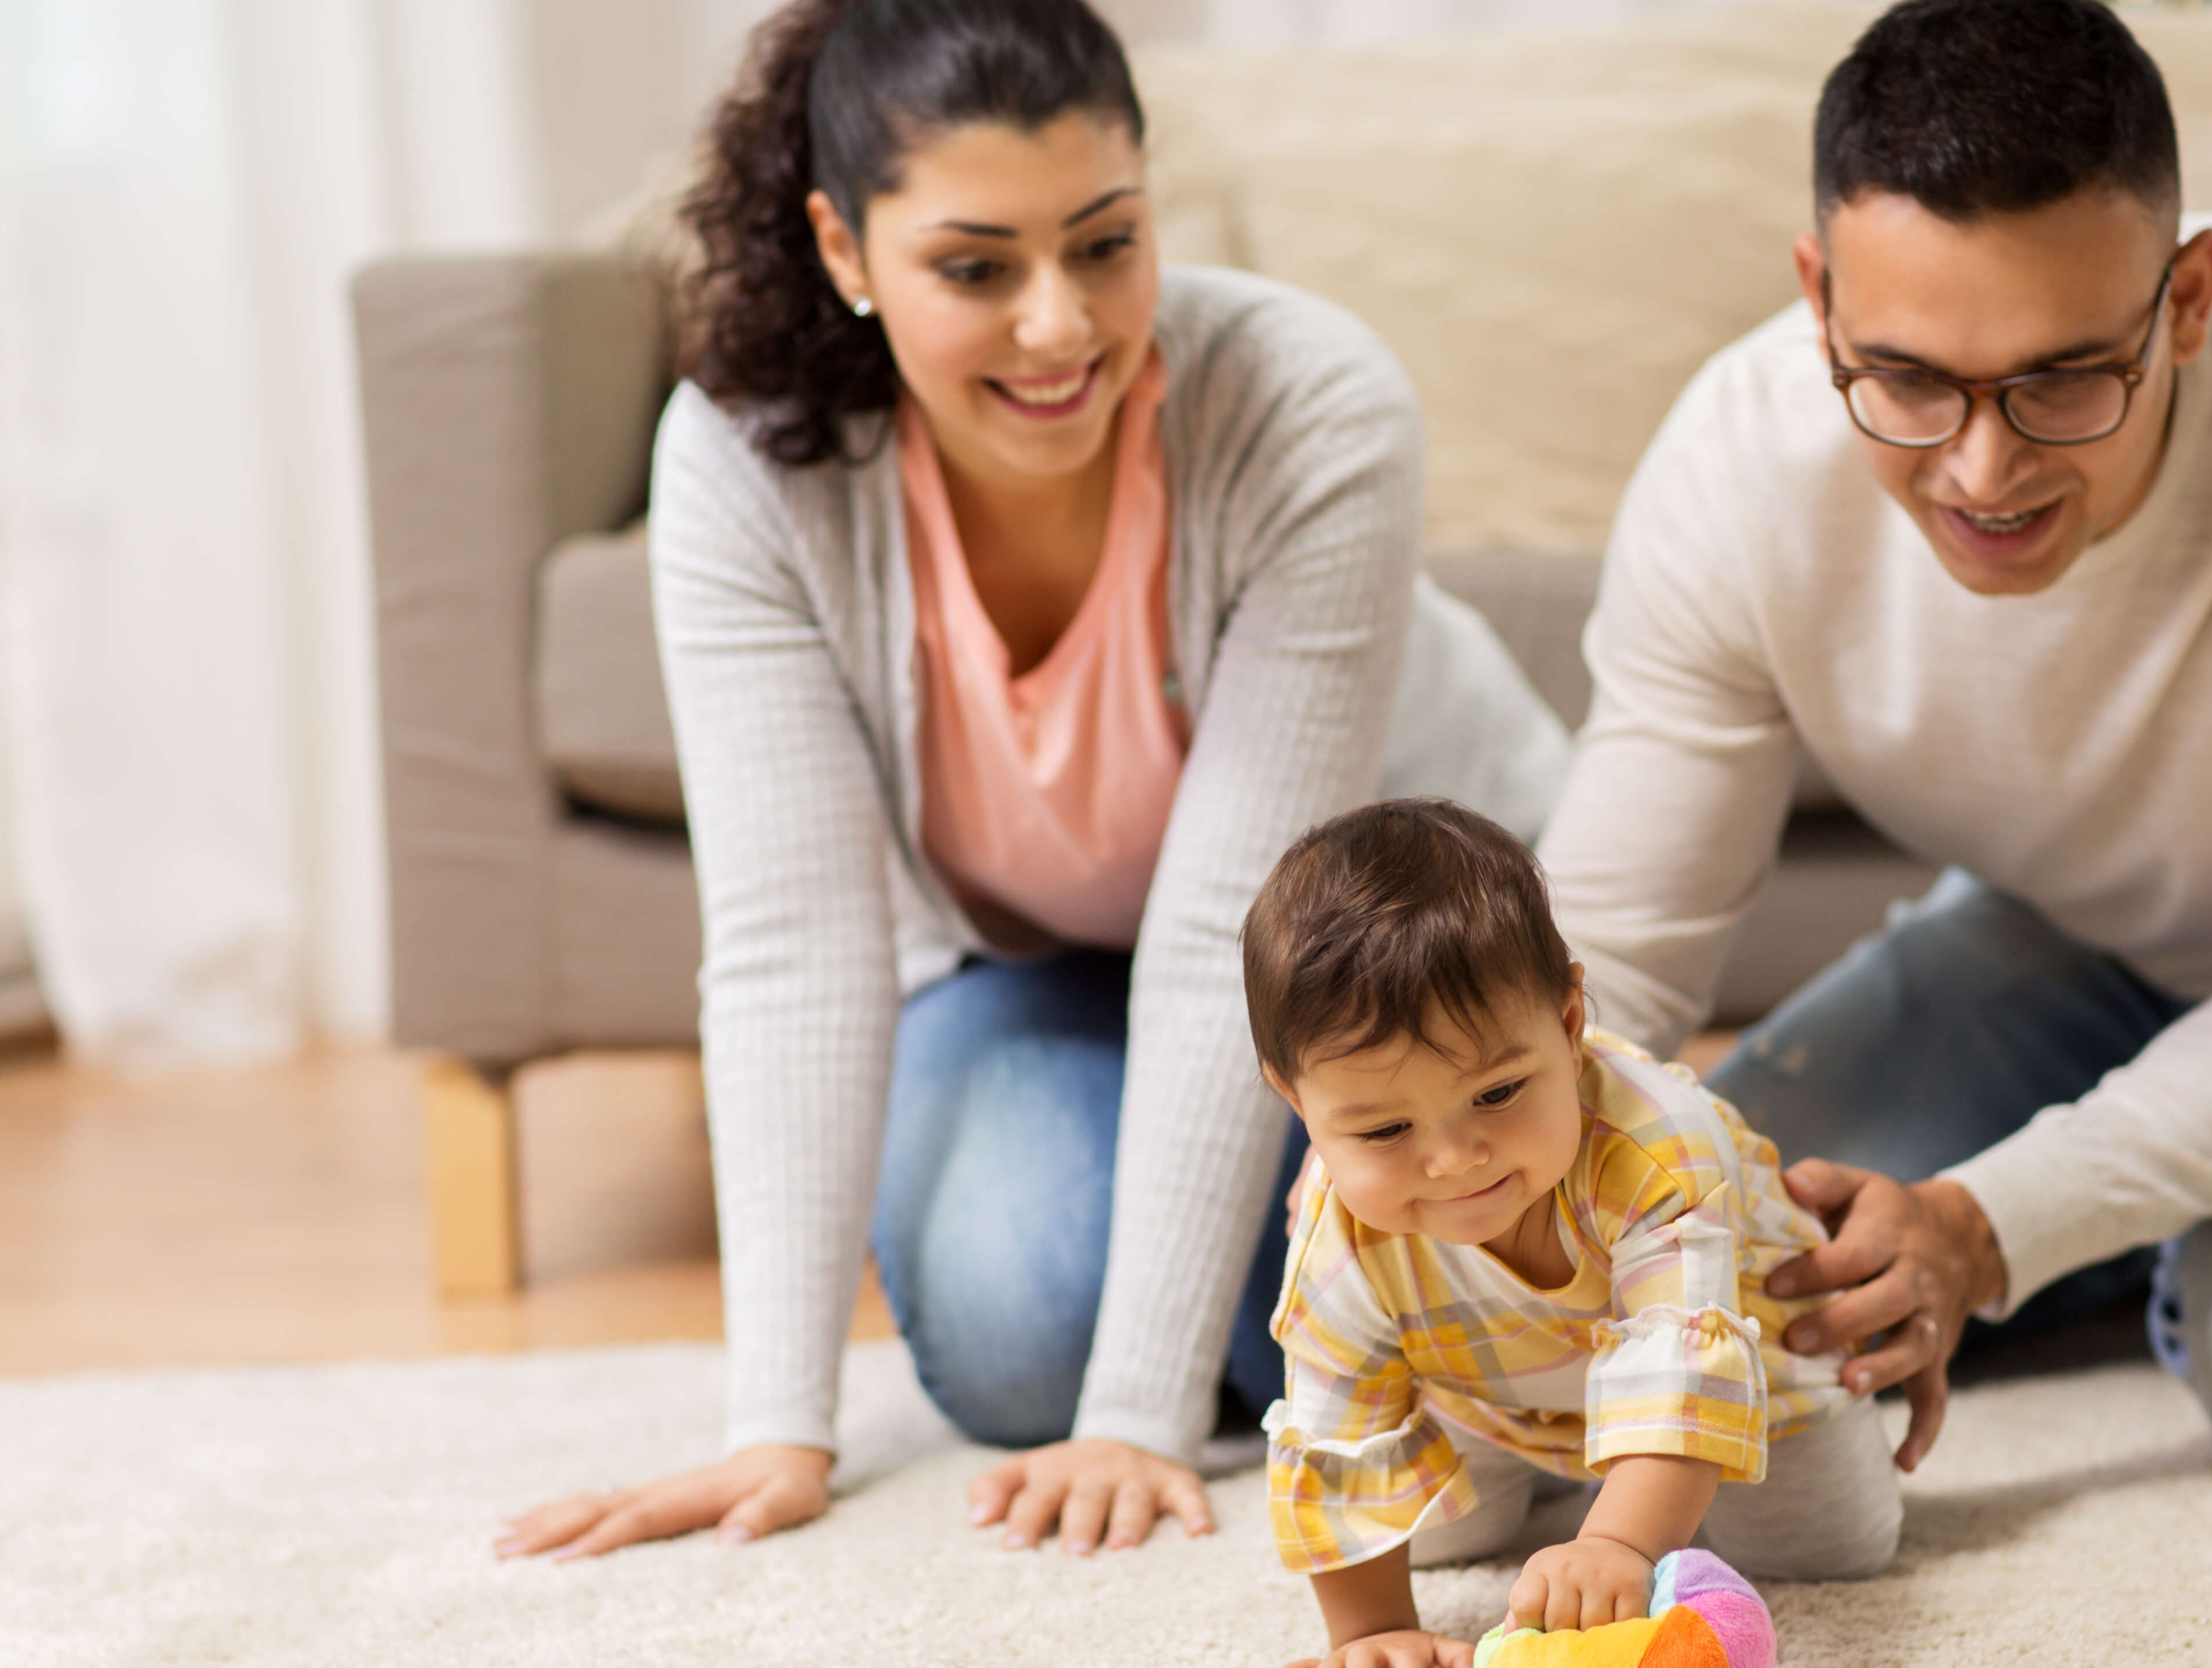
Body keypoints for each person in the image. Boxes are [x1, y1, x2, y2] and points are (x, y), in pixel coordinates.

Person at [496, 0, 1566, 1565]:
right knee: (1013, 1327)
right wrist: (773, 1429)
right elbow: (795, 939)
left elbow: (1225, 926)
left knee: (1487, 1239)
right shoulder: (740, 461)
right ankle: (1368, 1344)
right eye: (974, 267)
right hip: (1029, 969)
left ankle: (1429, 1332)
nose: (1059, 325)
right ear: (844, 249)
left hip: (1395, 994)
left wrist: (1135, 1412)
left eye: (1104, 243)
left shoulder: (1309, 402)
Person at [1542, 0, 2212, 1474]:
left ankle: (2180, 1231)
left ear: (2188, 299)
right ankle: (2165, 1188)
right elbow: (1619, 949)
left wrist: (1983, 1231)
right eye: (1906, 377)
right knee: (1709, 1250)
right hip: (2076, 937)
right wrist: (1488, 1166)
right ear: (1819, 296)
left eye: (2061, 379)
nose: (1984, 469)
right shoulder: (1734, 468)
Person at [1245, 802, 1898, 1668]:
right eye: (1385, 1128)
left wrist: (1618, 1544)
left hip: (1751, 1367)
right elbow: (1337, 1428)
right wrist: (1373, 1629)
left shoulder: (1658, 1148)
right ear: (1295, 1099)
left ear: (1567, 1020)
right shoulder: (1338, 1225)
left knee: (1834, 1545)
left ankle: (1612, 1495)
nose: (1453, 1160)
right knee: (1425, 1535)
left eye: (1498, 1092)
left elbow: (1683, 1375)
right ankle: (1573, 1476)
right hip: (1497, 1395)